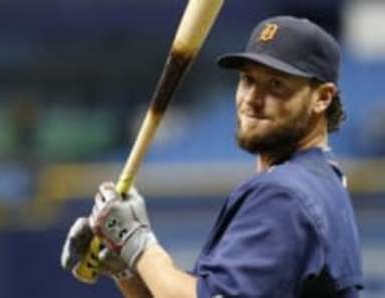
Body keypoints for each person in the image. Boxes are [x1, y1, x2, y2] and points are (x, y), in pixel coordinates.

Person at [61, 15, 364, 298]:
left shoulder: (285, 195)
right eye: (248, 80)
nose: (252, 99)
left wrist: (137, 242)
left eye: (276, 84)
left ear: (322, 98)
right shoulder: (320, 179)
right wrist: (126, 265)